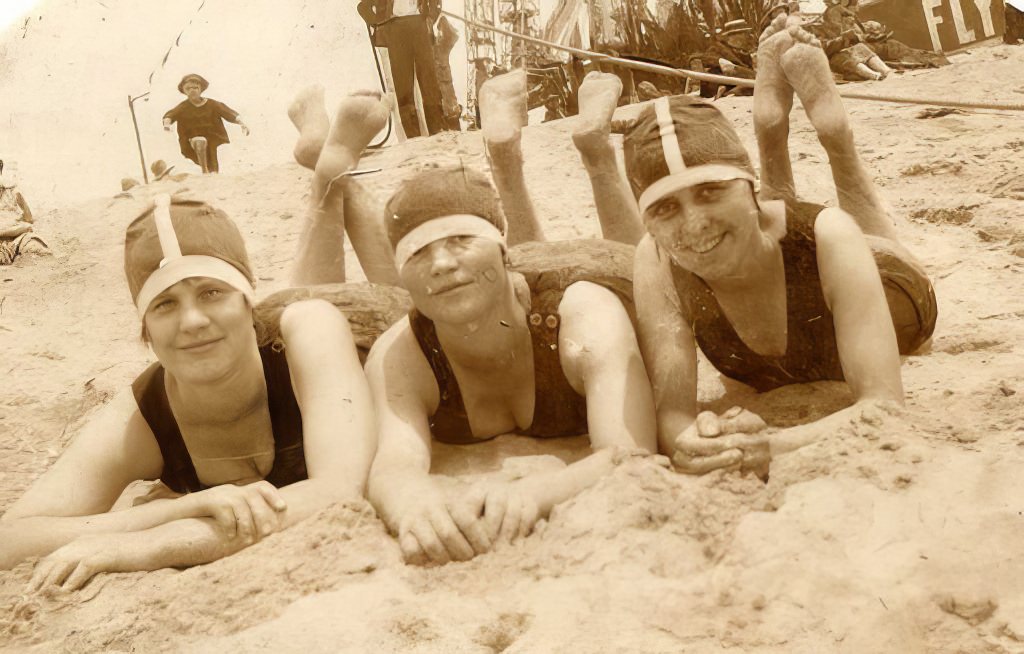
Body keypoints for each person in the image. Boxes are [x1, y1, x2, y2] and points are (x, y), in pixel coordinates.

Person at [0, 90, 412, 591]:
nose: (191, 321)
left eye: (211, 292)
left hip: (355, 331)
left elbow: (339, 493)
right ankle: (326, 166)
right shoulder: (146, 411)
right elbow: (12, 539)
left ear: (246, 301)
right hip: (273, 334)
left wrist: (157, 540)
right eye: (165, 305)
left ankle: (333, 174)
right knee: (304, 292)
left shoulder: (309, 326)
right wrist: (193, 504)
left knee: (387, 306)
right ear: (145, 328)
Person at [363, 70, 659, 566]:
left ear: (501, 252)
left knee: (637, 255)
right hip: (514, 286)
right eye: (419, 256)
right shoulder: (400, 349)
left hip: (591, 273)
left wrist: (540, 493)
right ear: (403, 281)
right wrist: (413, 504)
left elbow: (629, 452)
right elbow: (392, 469)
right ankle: (505, 159)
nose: (440, 264)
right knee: (490, 285)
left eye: (460, 241)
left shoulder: (585, 313)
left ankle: (595, 151)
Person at [619, 15, 937, 476]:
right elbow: (673, 416)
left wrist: (772, 445)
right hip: (771, 231)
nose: (693, 223)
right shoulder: (654, 259)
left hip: (891, 290)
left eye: (710, 192)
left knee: (869, 236)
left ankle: (835, 137)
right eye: (665, 209)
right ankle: (770, 128)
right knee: (761, 224)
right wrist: (691, 442)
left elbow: (884, 405)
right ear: (647, 219)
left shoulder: (830, 234)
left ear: (746, 187)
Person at [357, 0, 447, 137]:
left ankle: (438, 133)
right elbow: (363, 7)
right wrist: (381, 22)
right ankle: (413, 138)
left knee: (430, 84)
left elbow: (435, 4)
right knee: (403, 87)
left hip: (419, 25)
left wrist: (430, 17)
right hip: (396, 29)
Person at [162, 74, 250, 174]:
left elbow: (228, 113)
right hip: (191, 142)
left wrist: (242, 123)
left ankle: (212, 173)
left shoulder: (213, 104)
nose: (192, 90)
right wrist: (167, 125)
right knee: (200, 141)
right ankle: (204, 170)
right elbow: (170, 115)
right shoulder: (182, 107)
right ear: (184, 91)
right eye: (188, 88)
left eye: (195, 87)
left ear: (200, 89)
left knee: (216, 163)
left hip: (214, 140)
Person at [816, 0, 893, 81]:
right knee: (843, 57)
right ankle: (874, 75)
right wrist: (842, 39)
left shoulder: (839, 22)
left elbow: (850, 36)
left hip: (844, 49)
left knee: (860, 47)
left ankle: (886, 71)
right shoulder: (818, 30)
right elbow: (825, 48)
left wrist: (852, 37)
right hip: (832, 57)